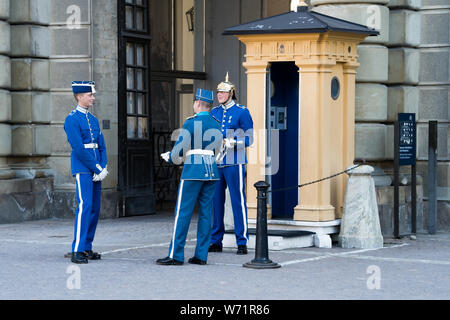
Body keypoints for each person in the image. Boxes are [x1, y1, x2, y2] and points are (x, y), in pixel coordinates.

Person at [156, 89, 222, 266]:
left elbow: (180, 149)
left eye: (194, 102)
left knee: (182, 213)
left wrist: (170, 156)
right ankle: (201, 255)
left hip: (193, 170)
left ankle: (176, 255)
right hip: (211, 170)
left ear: (198, 103)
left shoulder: (191, 122)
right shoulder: (216, 123)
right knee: (206, 214)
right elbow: (219, 151)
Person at [64, 81, 108, 264]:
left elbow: (102, 146)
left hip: (96, 168)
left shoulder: (93, 119)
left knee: (94, 209)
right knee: (85, 207)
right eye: (90, 95)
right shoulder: (72, 119)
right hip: (83, 169)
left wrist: (103, 166)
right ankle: (77, 249)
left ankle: (87, 247)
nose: (93, 98)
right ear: (79, 96)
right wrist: (96, 168)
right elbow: (79, 149)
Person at [209, 73, 254, 255]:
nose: (219, 95)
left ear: (231, 93)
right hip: (217, 162)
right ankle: (215, 240)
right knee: (216, 203)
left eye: (223, 92)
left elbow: (250, 138)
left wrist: (233, 141)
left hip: (235, 162)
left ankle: (241, 241)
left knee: (238, 201)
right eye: (218, 92)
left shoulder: (242, 111)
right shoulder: (214, 112)